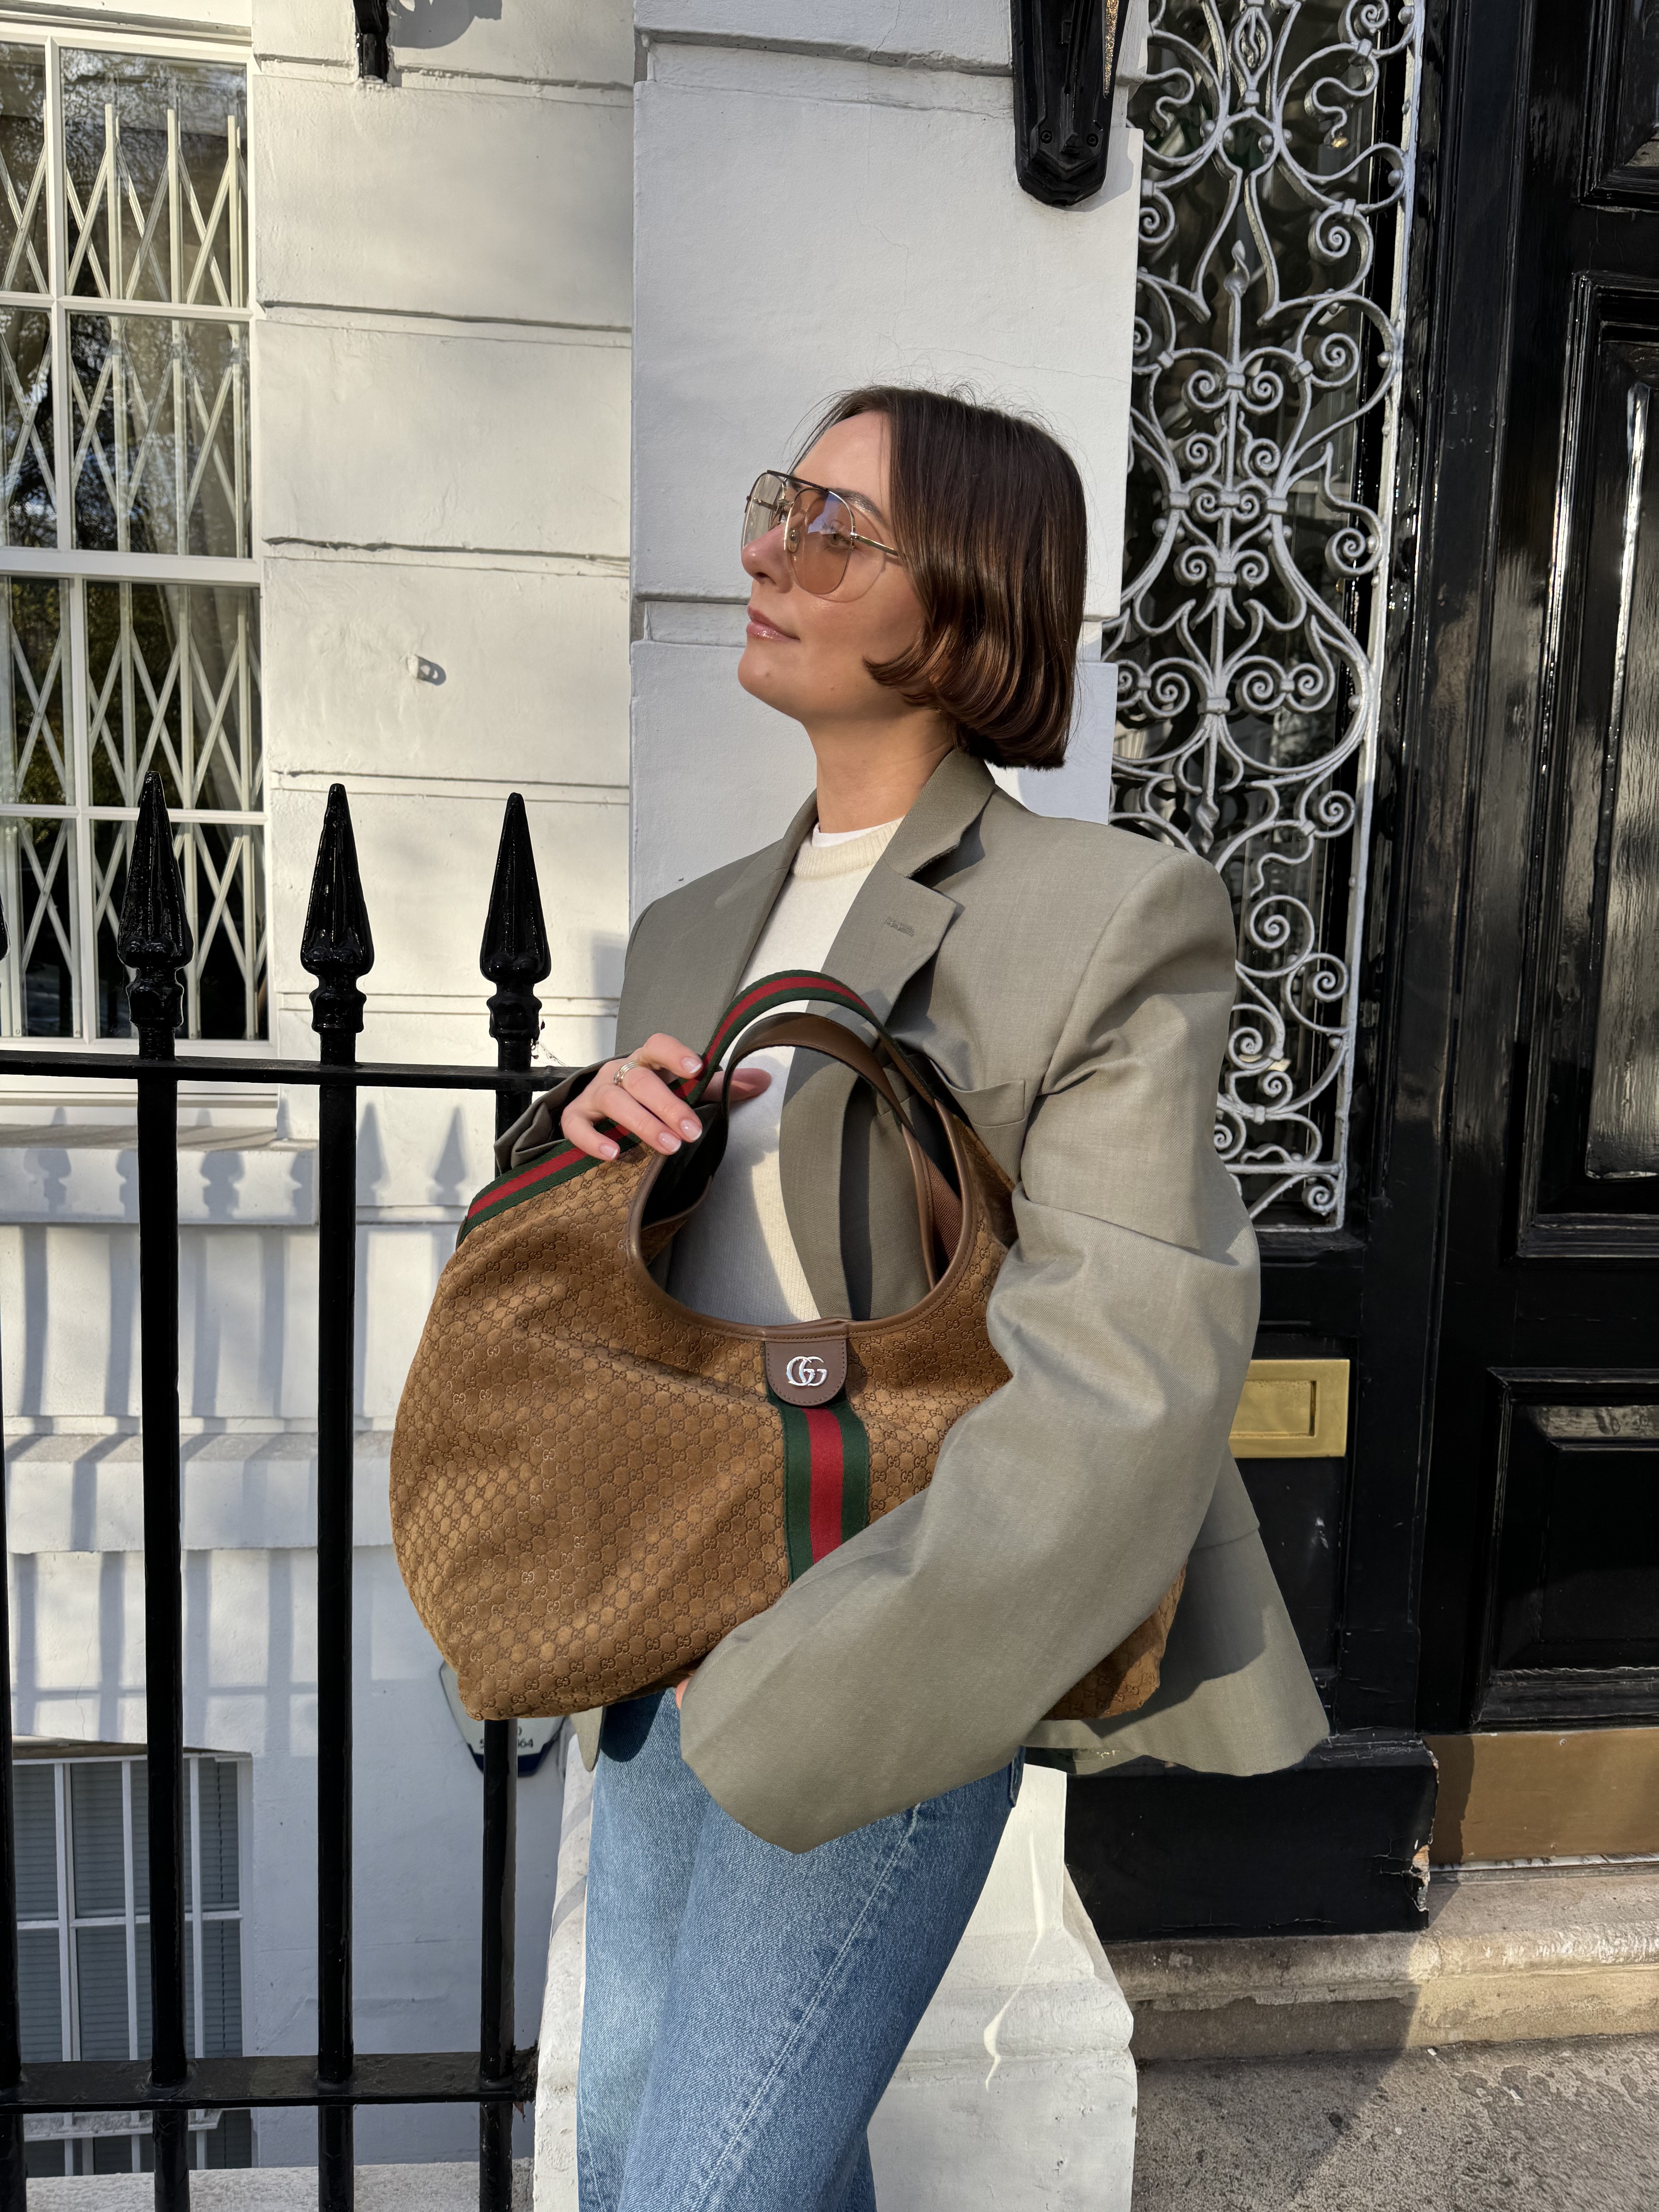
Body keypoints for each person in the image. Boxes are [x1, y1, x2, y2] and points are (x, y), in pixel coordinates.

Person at [497, 386, 1329, 2211]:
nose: (764, 553)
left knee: (701, 2192)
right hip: (662, 1614)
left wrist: (845, 1663)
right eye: (777, 502)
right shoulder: (698, 928)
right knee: (651, 2148)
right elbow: (654, 1298)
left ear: (960, 610)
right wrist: (586, 1149)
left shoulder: (1107, 913)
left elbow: (1127, 1369)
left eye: (835, 530)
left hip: (884, 1629)